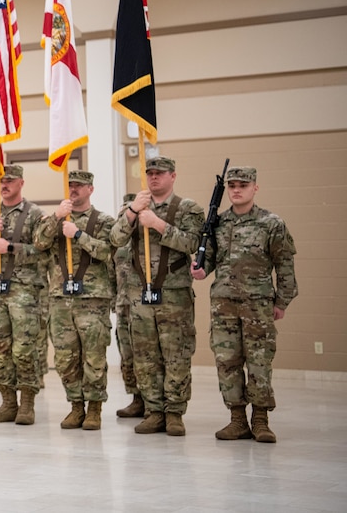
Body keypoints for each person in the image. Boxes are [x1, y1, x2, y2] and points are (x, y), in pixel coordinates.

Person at [191, 166, 297, 443]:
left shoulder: (271, 223)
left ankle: (260, 420)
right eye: (232, 185)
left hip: (257, 305)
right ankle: (237, 419)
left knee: (259, 362)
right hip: (223, 304)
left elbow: (285, 265)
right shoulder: (218, 222)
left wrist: (282, 301)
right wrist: (201, 270)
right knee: (227, 362)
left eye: (243, 185)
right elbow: (211, 259)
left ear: (255, 188)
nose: (236, 190)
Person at [110, 156, 204, 437]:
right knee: (145, 356)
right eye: (150, 173)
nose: (154, 178)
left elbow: (194, 243)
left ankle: (174, 412)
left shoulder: (188, 208)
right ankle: (153, 410)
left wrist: (158, 224)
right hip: (140, 297)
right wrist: (132, 213)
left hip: (173, 296)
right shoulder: (136, 208)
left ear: (173, 176)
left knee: (176, 355)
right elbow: (115, 239)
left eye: (160, 173)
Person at [35, 170, 117, 430]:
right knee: (65, 357)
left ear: (90, 189)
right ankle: (75, 406)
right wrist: (57, 218)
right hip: (61, 298)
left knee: (93, 356)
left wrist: (79, 235)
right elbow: (38, 242)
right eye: (70, 185)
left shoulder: (103, 220)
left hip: (92, 298)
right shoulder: (55, 219)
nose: (74, 189)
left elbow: (107, 251)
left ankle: (94, 409)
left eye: (79, 186)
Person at [0, 164, 48, 425]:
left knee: (24, 349)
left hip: (23, 293)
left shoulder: (35, 214)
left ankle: (27, 403)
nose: (4, 184)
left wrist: (11, 247)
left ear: (21, 183)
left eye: (10, 180)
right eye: (1, 180)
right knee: (0, 348)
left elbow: (44, 251)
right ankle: (7, 403)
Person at [113, 193, 144, 418]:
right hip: (123, 306)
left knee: (148, 355)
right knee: (127, 354)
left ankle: (154, 402)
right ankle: (136, 398)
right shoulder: (118, 244)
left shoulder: (147, 243)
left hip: (144, 306)